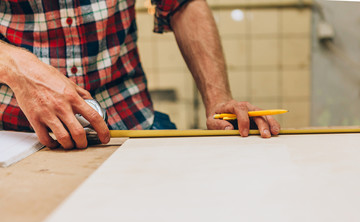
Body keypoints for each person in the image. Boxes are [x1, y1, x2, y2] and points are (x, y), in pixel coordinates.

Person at [0, 0, 280, 150]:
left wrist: (218, 99)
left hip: (130, 121)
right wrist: (17, 67)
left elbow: (181, 3)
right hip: (17, 138)